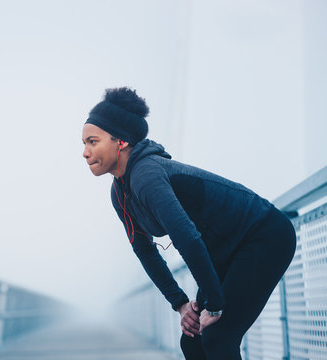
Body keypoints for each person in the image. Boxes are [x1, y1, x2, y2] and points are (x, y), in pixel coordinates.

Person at [81, 87, 296, 360]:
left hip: (263, 235)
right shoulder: (120, 192)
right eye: (84, 144)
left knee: (219, 337)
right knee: (193, 341)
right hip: (225, 250)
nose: (85, 153)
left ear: (120, 141)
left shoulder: (147, 174)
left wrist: (215, 305)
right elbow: (145, 250)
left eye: (92, 141)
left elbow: (187, 238)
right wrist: (182, 305)